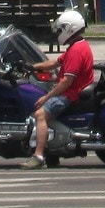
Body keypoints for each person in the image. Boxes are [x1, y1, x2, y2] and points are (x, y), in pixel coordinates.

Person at [30, 9, 94, 166]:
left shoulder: (76, 51)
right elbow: (54, 63)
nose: (58, 33)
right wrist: (31, 67)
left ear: (69, 28)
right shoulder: (77, 46)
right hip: (72, 91)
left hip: (70, 95)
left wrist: (46, 98)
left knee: (40, 114)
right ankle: (53, 152)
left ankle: (38, 156)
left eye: (60, 29)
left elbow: (66, 81)